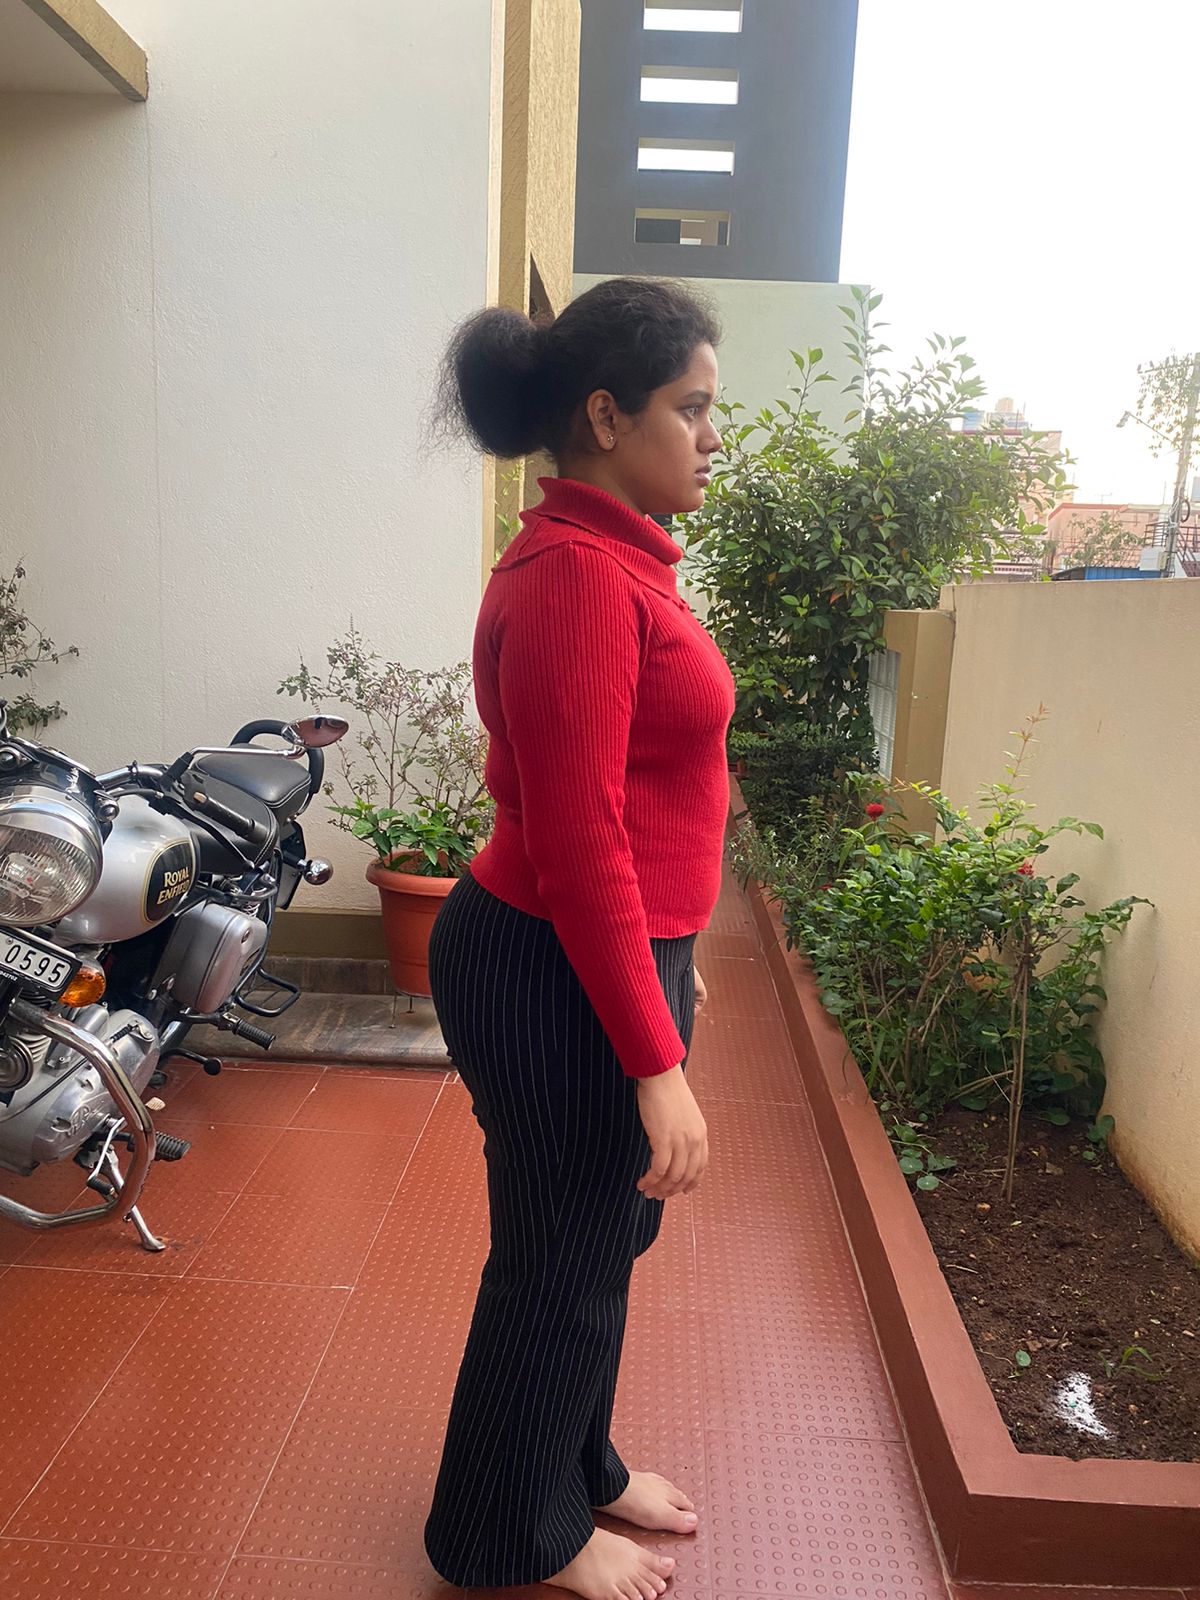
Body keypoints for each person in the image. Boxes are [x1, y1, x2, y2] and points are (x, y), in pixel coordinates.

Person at [423, 275, 735, 1600]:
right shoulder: (573, 582)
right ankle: (508, 1535)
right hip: (546, 960)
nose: (712, 437)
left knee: (604, 1241)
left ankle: (577, 1467)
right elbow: (581, 844)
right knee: (562, 1259)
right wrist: (654, 1061)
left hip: (600, 952)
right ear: (608, 418)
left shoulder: (617, 560)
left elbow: (649, 812)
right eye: (692, 409)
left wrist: (677, 965)